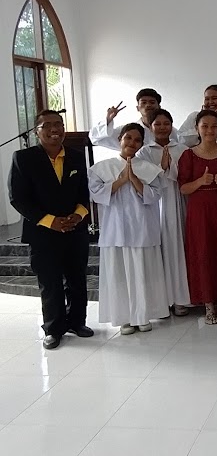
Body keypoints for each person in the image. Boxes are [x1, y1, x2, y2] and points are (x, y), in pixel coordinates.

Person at [8, 109, 93, 350]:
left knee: (77, 279)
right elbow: (18, 198)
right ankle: (53, 328)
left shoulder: (76, 157)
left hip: (75, 229)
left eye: (59, 124)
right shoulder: (23, 158)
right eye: (48, 125)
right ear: (37, 131)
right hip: (43, 232)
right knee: (50, 281)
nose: (55, 129)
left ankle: (77, 321)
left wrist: (78, 215)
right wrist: (49, 220)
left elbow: (85, 192)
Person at [88, 123, 168, 335]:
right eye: (128, 138)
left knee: (143, 273)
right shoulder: (102, 167)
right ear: (119, 140)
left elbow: (155, 196)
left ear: (142, 144)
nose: (132, 143)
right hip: (115, 229)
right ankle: (124, 317)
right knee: (120, 276)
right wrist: (121, 180)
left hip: (142, 227)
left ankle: (143, 315)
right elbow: (96, 195)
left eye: (137, 140)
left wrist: (134, 180)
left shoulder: (149, 168)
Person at [178, 110, 217, 324]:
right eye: (205, 126)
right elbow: (183, 188)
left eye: (214, 126)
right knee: (202, 253)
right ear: (197, 128)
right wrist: (200, 182)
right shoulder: (188, 155)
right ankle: (207, 304)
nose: (210, 130)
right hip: (198, 211)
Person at [137, 109, 191, 316]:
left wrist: (170, 169)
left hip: (179, 201)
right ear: (150, 127)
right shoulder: (144, 152)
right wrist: (162, 168)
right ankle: (161, 301)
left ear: (172, 125)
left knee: (180, 248)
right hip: (156, 205)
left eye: (166, 123)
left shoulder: (183, 149)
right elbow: (144, 179)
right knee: (160, 251)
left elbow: (186, 175)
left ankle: (181, 299)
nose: (162, 128)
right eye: (157, 124)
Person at [89, 88, 178, 150]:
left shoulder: (170, 131)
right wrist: (108, 120)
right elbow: (96, 139)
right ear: (137, 108)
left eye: (152, 102)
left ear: (159, 107)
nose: (148, 105)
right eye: (143, 102)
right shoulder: (129, 130)